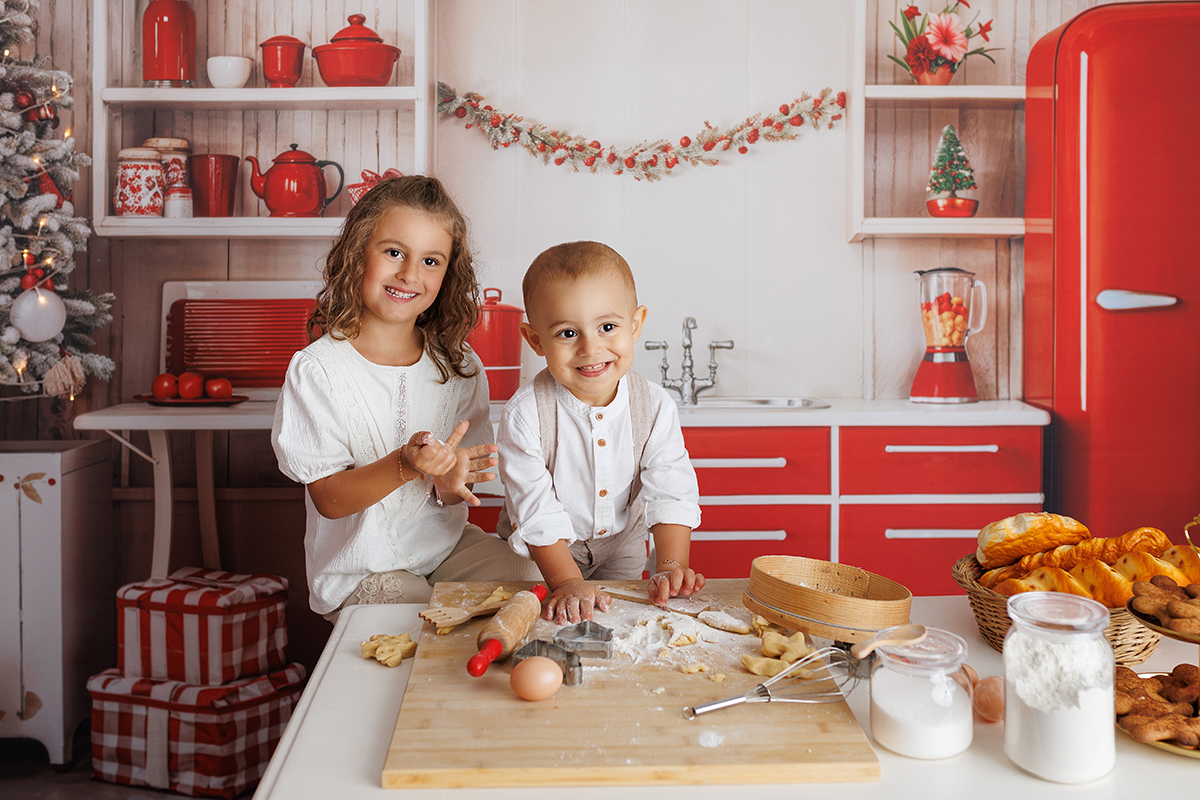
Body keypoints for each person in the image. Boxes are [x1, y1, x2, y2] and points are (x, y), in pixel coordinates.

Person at [272, 175, 540, 621]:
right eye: (394, 252)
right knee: (418, 618)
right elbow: (328, 499)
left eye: (431, 260)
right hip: (362, 569)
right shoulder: (319, 370)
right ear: (358, 253)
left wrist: (452, 483)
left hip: (444, 550)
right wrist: (406, 464)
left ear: (448, 273)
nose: (410, 274)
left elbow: (456, 491)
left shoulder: (460, 365)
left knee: (530, 579)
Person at [497, 241, 704, 624]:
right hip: (546, 553)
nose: (591, 349)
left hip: (621, 547)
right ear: (535, 340)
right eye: (566, 334)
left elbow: (671, 487)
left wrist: (671, 564)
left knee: (616, 623)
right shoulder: (525, 414)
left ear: (636, 324)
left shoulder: (655, 405)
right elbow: (535, 510)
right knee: (550, 624)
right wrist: (565, 581)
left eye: (607, 327)